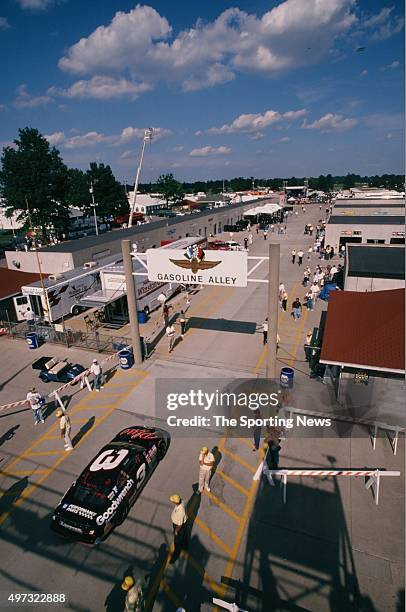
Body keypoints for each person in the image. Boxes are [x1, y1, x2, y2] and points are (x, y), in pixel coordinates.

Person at [169, 494, 188, 563]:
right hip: (183, 523)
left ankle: (175, 556)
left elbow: (179, 525)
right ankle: (185, 546)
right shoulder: (181, 501)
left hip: (178, 526)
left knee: (177, 542)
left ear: (176, 502)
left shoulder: (180, 511)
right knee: (184, 535)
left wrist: (176, 531)